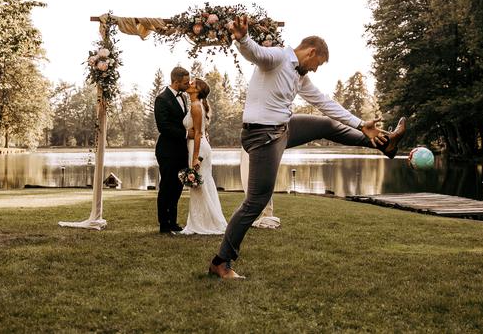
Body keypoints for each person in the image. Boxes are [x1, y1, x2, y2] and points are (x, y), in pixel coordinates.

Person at [207, 16, 407, 279]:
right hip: (263, 137)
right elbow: (255, 53)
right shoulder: (278, 58)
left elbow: (325, 103)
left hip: (283, 128)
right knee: (255, 202)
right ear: (311, 52)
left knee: (326, 124)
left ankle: (385, 144)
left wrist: (361, 125)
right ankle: (221, 262)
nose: (315, 69)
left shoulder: (299, 77)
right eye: (318, 63)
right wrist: (243, 38)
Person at [180, 78, 228, 235]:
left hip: (198, 148)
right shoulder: (196, 105)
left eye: (193, 83)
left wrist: (195, 158)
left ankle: (204, 223)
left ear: (197, 90)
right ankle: (201, 221)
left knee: (200, 185)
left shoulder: (195, 106)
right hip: (196, 146)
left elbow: (199, 134)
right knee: (202, 185)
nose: (190, 84)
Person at [154, 67, 191, 234]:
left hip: (181, 151)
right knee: (167, 187)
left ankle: (173, 222)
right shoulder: (162, 99)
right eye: (185, 82)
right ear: (176, 82)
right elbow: (163, 127)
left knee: (177, 187)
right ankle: (164, 224)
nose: (188, 84)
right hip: (167, 151)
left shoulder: (183, 97)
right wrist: (185, 134)